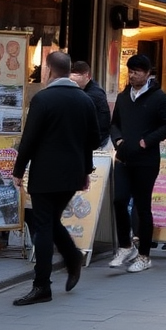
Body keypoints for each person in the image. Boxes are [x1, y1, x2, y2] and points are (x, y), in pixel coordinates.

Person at [11, 51, 101, 305]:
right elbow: (93, 139)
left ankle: (42, 285)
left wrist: (18, 171)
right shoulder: (85, 100)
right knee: (49, 222)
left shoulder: (43, 99)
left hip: (45, 174)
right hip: (72, 173)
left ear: (49, 70)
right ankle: (72, 259)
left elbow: (29, 138)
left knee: (43, 226)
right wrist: (85, 169)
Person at [108, 54, 166, 272]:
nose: (133, 75)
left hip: (146, 161)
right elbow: (114, 123)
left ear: (147, 73)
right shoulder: (122, 97)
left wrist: (147, 141)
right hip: (123, 158)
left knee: (142, 205)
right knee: (119, 200)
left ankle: (145, 256)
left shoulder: (158, 98)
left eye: (137, 71)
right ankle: (126, 246)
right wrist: (118, 139)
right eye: (130, 71)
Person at [70, 61, 111, 148]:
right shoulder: (82, 90)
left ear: (87, 76)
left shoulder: (95, 94)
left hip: (95, 142)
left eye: (76, 78)